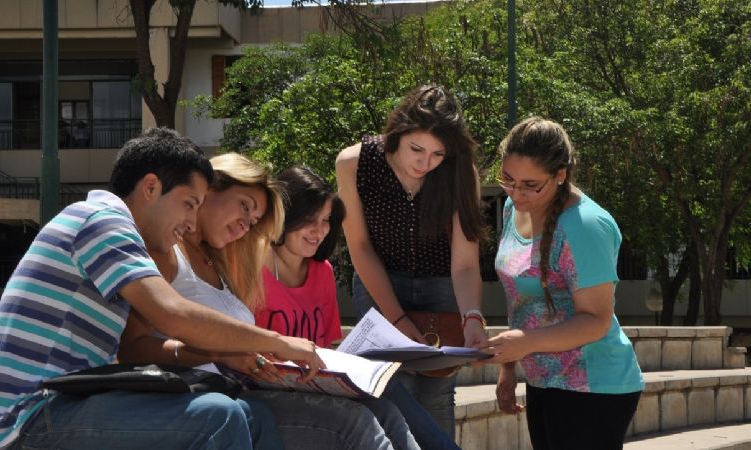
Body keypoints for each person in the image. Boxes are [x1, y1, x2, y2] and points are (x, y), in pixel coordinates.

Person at [0, 127, 323, 450]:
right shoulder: (101, 220)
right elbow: (173, 314)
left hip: (68, 403)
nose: (191, 221)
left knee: (255, 417)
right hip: (31, 417)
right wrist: (278, 342)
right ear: (150, 187)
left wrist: (222, 352)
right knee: (219, 417)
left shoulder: (114, 227)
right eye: (189, 203)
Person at [119, 153, 419, 450]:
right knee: (352, 422)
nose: (244, 226)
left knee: (384, 409)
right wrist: (224, 351)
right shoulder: (169, 251)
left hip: (247, 390)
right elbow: (133, 347)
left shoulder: (219, 265)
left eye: (253, 221)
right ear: (210, 187)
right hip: (209, 400)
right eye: (244, 207)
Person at [258, 165, 462, 450]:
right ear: (283, 216)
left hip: (314, 381)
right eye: (309, 220)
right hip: (268, 388)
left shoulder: (322, 271)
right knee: (357, 417)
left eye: (327, 220)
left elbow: (326, 345)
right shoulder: (253, 270)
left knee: (387, 398)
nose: (319, 231)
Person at [335, 84, 490, 436]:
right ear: (396, 133)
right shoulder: (354, 163)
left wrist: (473, 317)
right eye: (416, 149)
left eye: (438, 154)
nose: (425, 163)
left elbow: (465, 263)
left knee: (437, 391)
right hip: (379, 280)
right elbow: (359, 247)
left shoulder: (460, 172)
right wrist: (398, 318)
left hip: (443, 285)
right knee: (391, 390)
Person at [486, 117, 644, 450]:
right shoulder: (513, 207)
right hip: (543, 379)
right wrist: (509, 368)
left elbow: (597, 320)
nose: (516, 193)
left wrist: (525, 342)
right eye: (509, 180)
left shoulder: (586, 225)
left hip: (593, 386)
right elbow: (520, 300)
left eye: (531, 184)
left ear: (560, 175)